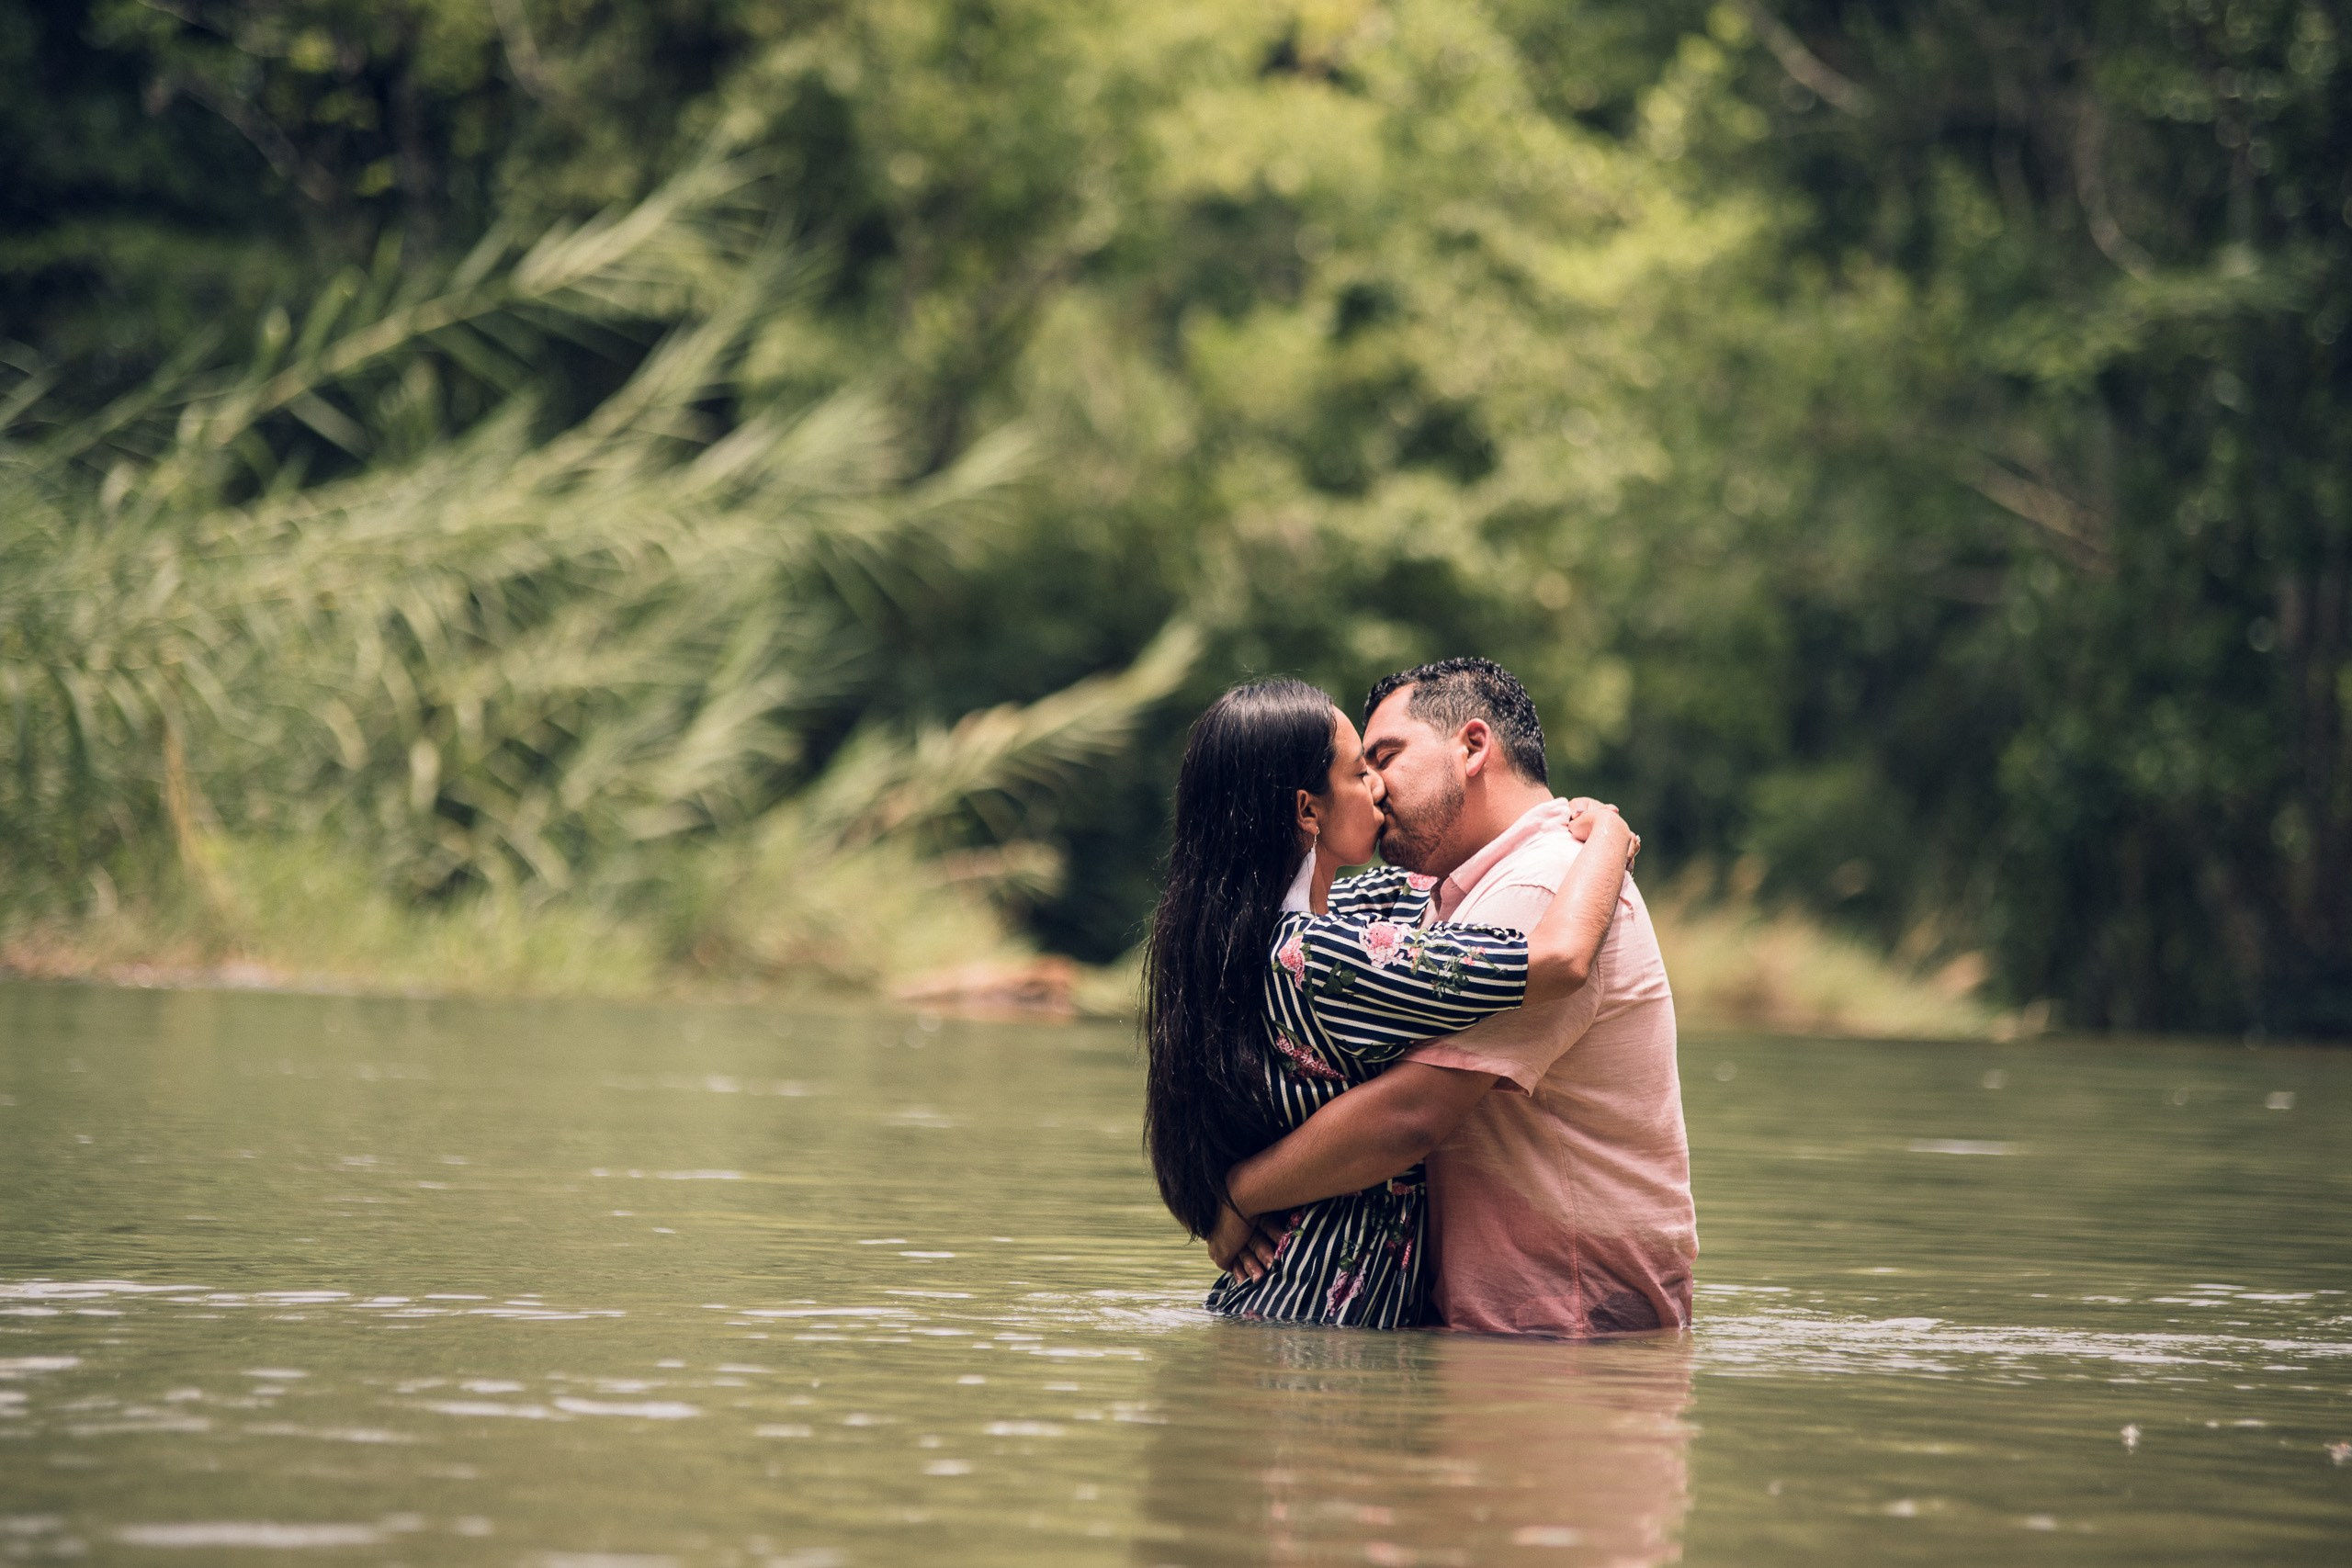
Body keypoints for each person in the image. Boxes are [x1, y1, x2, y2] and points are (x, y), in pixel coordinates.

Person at [1213, 658, 1697, 1337]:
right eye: (1360, 768)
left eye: (1386, 756)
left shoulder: (1541, 882)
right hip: (1516, 1330)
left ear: (1472, 746)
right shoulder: (1448, 896)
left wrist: (1240, 1194)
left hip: (1561, 1331)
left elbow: (1410, 1113)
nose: (1374, 786)